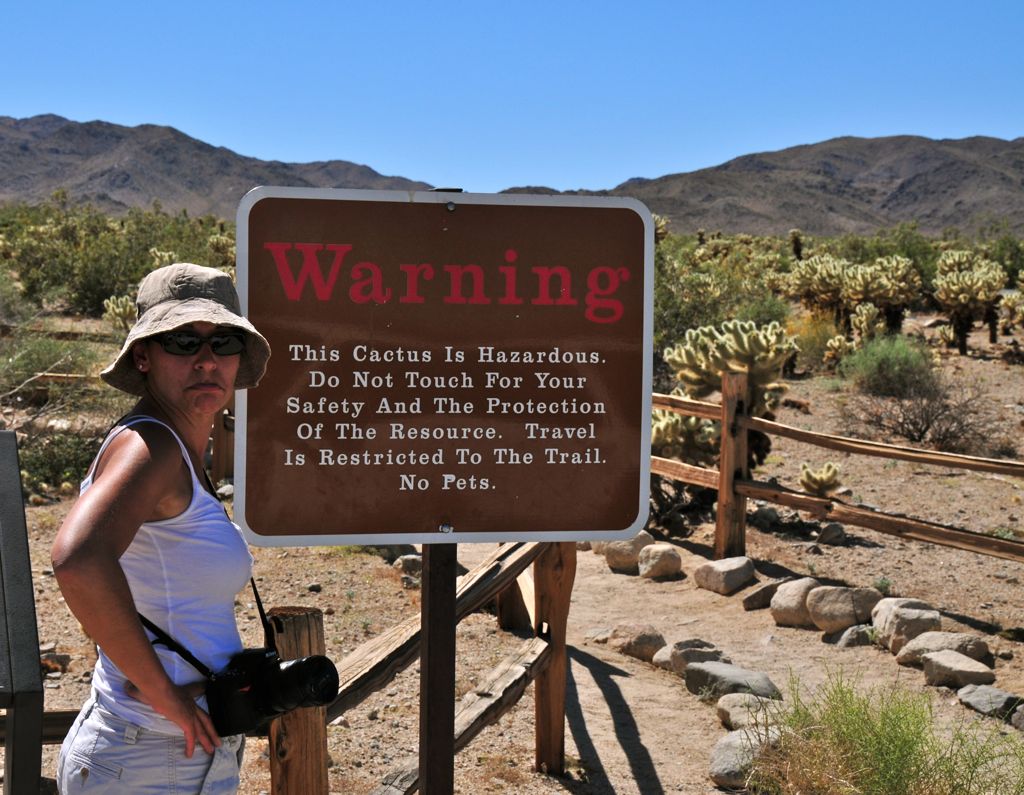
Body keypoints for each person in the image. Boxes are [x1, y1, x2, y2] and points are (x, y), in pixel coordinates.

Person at [52, 263, 271, 794]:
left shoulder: (175, 448)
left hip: (164, 751)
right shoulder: (152, 447)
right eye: (182, 341)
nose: (206, 359)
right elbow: (78, 560)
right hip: (149, 757)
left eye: (223, 341)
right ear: (144, 357)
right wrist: (165, 695)